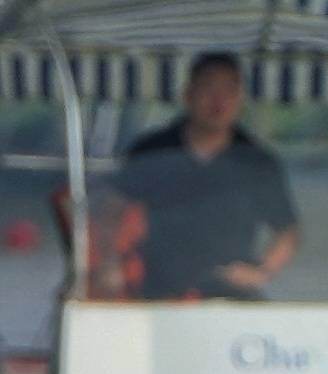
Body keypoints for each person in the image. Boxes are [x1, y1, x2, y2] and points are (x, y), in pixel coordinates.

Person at [109, 53, 298, 302]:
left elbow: (287, 230)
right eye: (208, 89)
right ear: (188, 94)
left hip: (231, 293)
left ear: (240, 99)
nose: (218, 101)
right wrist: (109, 266)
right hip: (157, 290)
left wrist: (263, 272)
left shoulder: (256, 162)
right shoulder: (153, 152)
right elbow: (110, 211)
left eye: (229, 91)